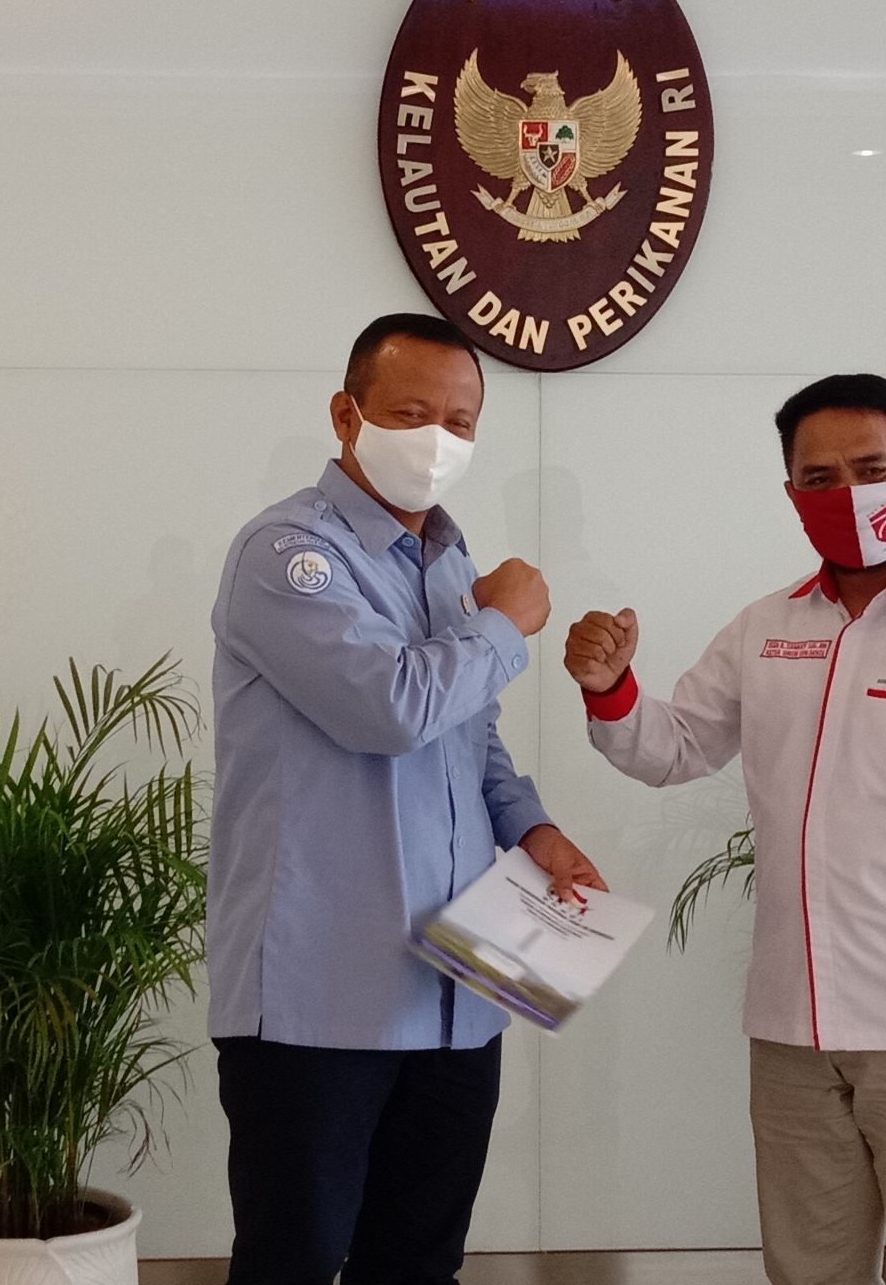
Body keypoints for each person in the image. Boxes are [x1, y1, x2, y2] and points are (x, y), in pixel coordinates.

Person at [563, 373, 886, 1285]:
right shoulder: (764, 630)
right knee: (807, 1271)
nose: (847, 494)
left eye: (872, 468)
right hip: (792, 1027)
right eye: (819, 478)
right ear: (792, 494)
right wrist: (611, 689)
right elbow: (675, 748)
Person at [208, 311, 605, 1285]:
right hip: (318, 1002)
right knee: (292, 1265)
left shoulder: (449, 564)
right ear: (346, 415)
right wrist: (506, 625)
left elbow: (468, 735)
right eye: (410, 413)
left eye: (460, 422)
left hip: (460, 992)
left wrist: (533, 826)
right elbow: (388, 708)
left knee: (420, 1266)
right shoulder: (288, 555)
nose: (437, 440)